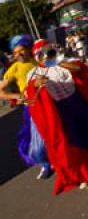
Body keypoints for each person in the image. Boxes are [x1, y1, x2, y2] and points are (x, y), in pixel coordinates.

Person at [25, 38, 88, 193]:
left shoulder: (62, 61)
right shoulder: (34, 73)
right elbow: (31, 90)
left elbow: (78, 69)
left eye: (47, 50)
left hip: (78, 103)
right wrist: (36, 84)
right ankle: (84, 172)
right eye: (41, 53)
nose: (45, 55)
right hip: (61, 111)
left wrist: (57, 61)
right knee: (75, 141)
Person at [0, 35, 50, 179]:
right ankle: (45, 164)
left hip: (49, 101)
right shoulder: (14, 68)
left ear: (28, 49)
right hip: (32, 105)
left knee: (56, 131)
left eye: (21, 51)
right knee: (38, 138)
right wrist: (17, 97)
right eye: (15, 53)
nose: (18, 55)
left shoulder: (37, 60)